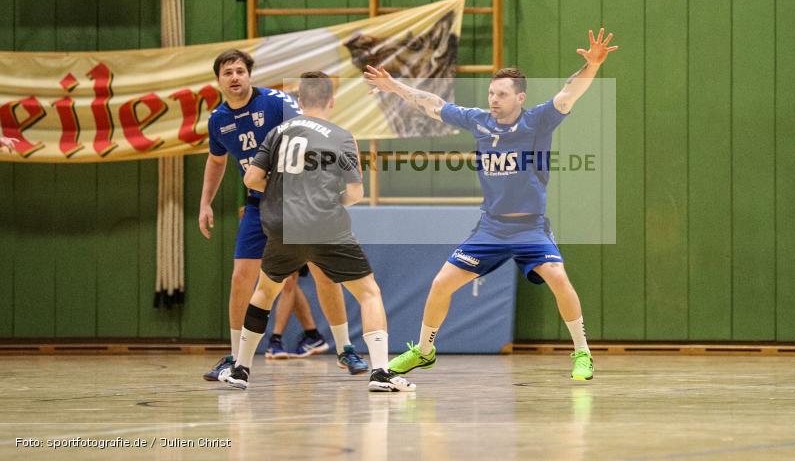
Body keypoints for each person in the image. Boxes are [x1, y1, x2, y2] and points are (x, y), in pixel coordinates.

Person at [363, 28, 617, 381]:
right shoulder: (479, 121)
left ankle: (582, 353)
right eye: (491, 93)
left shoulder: (537, 121)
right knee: (441, 284)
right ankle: (424, 351)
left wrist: (590, 66)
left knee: (559, 278)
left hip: (529, 226)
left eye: (501, 94)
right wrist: (395, 88)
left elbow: (568, 93)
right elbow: (432, 104)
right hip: (491, 227)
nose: (493, 99)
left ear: (520, 98)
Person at [224, 71, 414, 392]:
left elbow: (251, 180)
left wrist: (282, 190)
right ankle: (380, 372)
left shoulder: (278, 132)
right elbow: (355, 194)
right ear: (331, 101)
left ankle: (241, 368)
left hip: (283, 226)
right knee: (368, 292)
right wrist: (330, 200)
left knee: (265, 292)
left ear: (299, 101)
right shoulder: (342, 136)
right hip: (326, 226)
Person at [200, 50, 368, 381]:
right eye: (227, 72)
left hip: (299, 202)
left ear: (250, 75)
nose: (235, 77)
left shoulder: (276, 103)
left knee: (324, 273)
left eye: (240, 71)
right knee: (241, 279)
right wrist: (205, 202)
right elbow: (217, 161)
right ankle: (236, 356)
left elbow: (312, 131)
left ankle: (345, 348)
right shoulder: (218, 120)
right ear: (218, 80)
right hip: (259, 204)